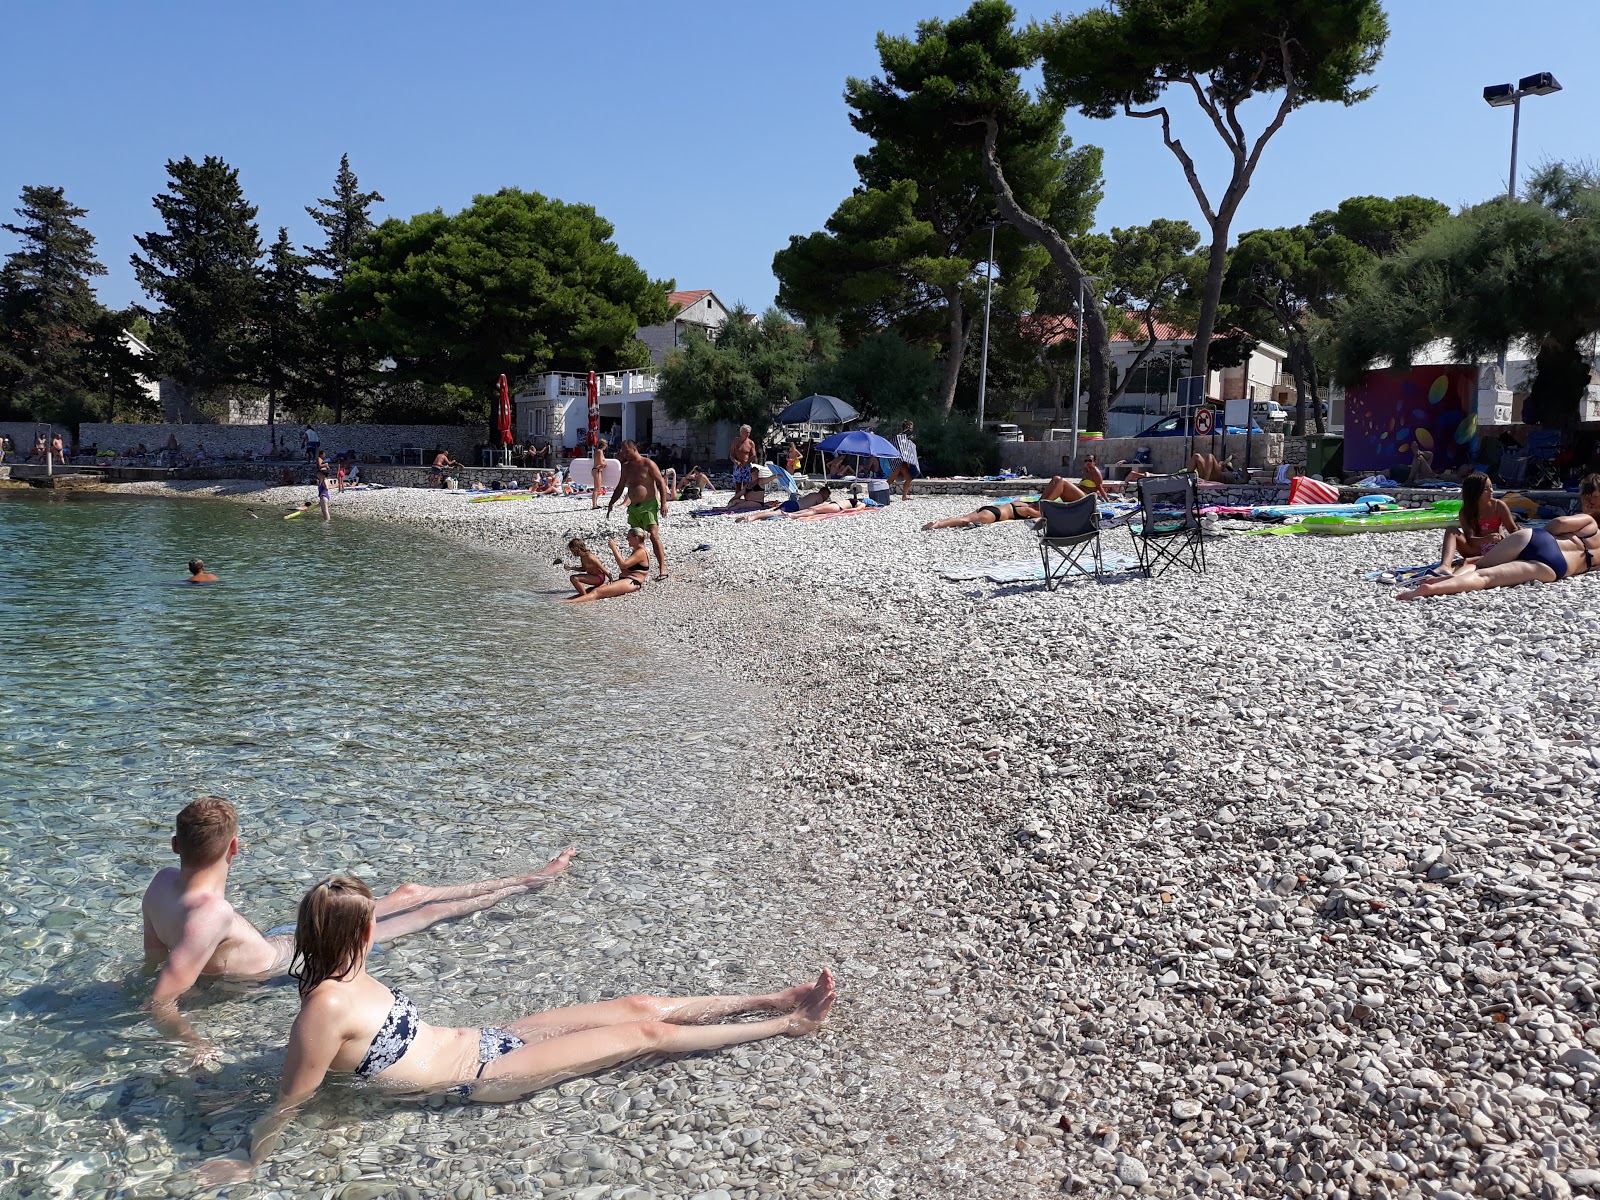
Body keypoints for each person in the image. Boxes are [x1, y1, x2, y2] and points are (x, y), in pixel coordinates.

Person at [197, 876, 834, 1185]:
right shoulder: (325, 1005)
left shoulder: (345, 975)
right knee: (645, 1037)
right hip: (481, 1077)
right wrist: (252, 1159)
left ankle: (769, 995)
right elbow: (294, 1095)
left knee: (640, 1005)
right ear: (363, 931)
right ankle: (788, 1022)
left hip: (489, 1037)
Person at [142, 797, 573, 1053]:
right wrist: (192, 1045)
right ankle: (528, 879)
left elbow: (156, 968)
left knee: (417, 911)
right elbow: (164, 993)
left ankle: (525, 883)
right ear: (236, 848)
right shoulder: (209, 912)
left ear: (175, 845)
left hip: (291, 951)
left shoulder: (162, 883)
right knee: (412, 907)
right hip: (286, 948)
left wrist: (191, 1044)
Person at [1397, 516, 1599, 600]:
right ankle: (1433, 589)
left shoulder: (1590, 524)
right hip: (1555, 567)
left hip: (1539, 540)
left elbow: (1559, 523)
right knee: (1486, 579)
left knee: (1478, 565)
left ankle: (1452, 576)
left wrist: (1549, 533)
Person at [607, 441, 670, 579]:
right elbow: (620, 486)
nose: (624, 454)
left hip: (649, 504)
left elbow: (660, 482)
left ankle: (662, 568)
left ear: (634, 449)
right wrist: (611, 503)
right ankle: (636, 569)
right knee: (636, 540)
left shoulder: (648, 463)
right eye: (623, 451)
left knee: (653, 535)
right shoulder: (626, 466)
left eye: (626, 451)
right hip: (634, 507)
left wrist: (664, 503)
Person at [1436, 471, 1516, 576]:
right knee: (1451, 530)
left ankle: (1475, 560)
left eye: (1491, 487)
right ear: (1475, 492)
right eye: (1485, 489)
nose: (1491, 491)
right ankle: (1445, 566)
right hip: (1475, 548)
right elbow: (1471, 540)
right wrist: (1487, 539)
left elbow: (1512, 530)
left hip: (1496, 549)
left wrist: (1519, 532)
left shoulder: (1498, 506)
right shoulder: (1465, 512)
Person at [564, 530, 651, 603]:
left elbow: (623, 564)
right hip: (625, 579)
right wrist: (617, 551)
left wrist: (613, 549)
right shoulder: (637, 551)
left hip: (632, 582)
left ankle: (567, 603)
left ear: (636, 538)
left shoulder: (641, 552)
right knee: (589, 591)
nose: (627, 539)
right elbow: (624, 568)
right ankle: (565, 601)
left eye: (628, 537)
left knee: (597, 592)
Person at [921, 499, 1043, 531]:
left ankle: (940, 522)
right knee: (964, 520)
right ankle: (938, 525)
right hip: (994, 515)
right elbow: (1040, 515)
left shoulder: (1019, 503)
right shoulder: (1028, 510)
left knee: (963, 518)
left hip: (990, 508)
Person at [887, 422, 922, 501]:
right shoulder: (899, 437)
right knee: (891, 480)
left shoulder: (909, 439)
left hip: (903, 463)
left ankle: (904, 496)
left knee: (908, 478)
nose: (910, 429)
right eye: (909, 427)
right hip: (898, 461)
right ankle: (882, 493)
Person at [728, 425, 757, 491]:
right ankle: (737, 500)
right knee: (738, 486)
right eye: (746, 432)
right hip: (738, 466)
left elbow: (753, 455)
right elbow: (731, 454)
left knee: (746, 486)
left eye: (749, 432)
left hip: (746, 466)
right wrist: (735, 461)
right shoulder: (735, 442)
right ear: (741, 432)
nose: (748, 434)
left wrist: (747, 463)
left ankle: (746, 500)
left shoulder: (751, 443)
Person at [590, 439, 608, 510]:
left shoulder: (597, 451)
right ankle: (594, 505)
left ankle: (595, 504)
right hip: (597, 470)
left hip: (596, 469)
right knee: (597, 489)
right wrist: (605, 464)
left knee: (597, 488)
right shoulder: (600, 452)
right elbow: (600, 462)